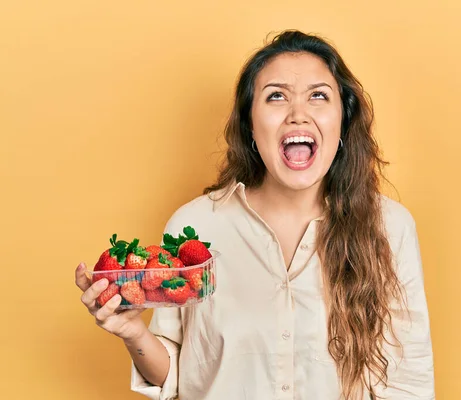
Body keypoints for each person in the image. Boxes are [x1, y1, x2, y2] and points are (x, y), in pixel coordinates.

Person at [75, 30, 435, 400]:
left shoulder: (390, 227)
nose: (298, 114)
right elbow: (179, 375)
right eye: (276, 96)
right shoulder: (195, 226)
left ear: (342, 121)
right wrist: (134, 333)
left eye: (318, 96)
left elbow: (409, 384)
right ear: (250, 124)